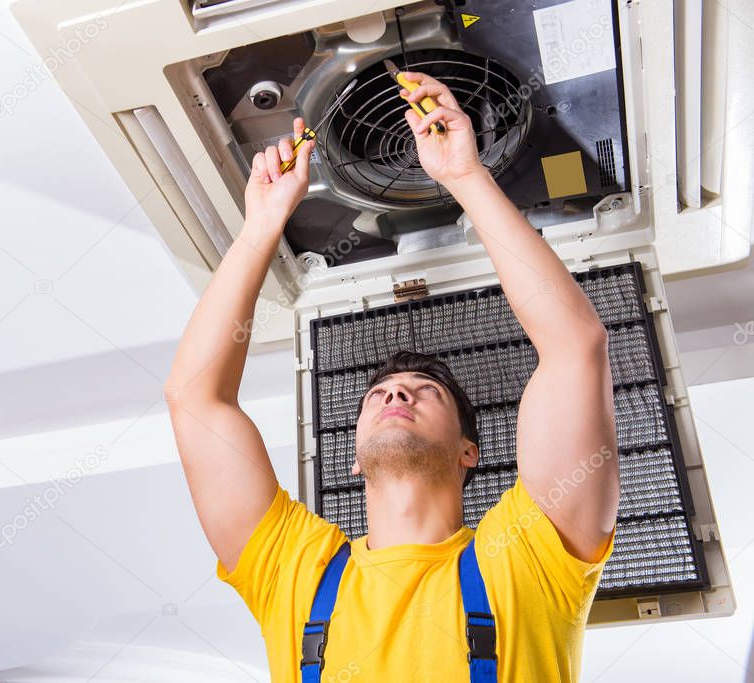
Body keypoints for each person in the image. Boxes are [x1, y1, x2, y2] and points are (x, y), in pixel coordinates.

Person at [163, 71, 619, 682]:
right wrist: (260, 225)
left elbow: (575, 348)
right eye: (378, 395)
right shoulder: (299, 571)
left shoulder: (528, 556)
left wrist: (465, 176)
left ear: (468, 452)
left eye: (424, 392)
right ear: (352, 458)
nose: (397, 393)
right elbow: (192, 399)